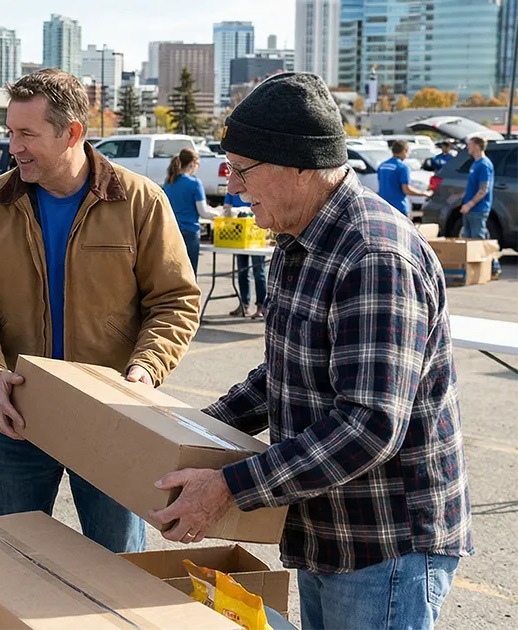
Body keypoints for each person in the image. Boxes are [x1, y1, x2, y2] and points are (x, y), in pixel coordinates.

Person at [148, 73, 471, 630]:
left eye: (244, 171)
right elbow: (285, 373)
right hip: (329, 533)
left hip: (384, 547)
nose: (235, 188)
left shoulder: (373, 255)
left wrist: (228, 485)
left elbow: (368, 424)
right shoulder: (301, 239)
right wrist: (187, 432)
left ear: (297, 164)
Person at [0, 69, 200, 554]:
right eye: (9, 131)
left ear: (72, 133)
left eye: (27, 134)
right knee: (9, 559)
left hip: (111, 416)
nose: (12, 147)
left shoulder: (139, 200)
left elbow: (175, 300)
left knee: (118, 564)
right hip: (18, 413)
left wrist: (145, 369)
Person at [162, 147, 220, 273]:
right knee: (189, 273)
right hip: (190, 231)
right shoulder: (194, 183)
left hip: (171, 231)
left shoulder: (169, 182)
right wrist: (218, 214)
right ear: (193, 163)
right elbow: (203, 211)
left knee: (173, 272)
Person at [222, 192, 266, 318]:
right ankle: (244, 304)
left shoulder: (254, 184)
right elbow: (226, 207)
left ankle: (261, 306)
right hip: (238, 235)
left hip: (255, 234)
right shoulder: (233, 189)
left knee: (259, 271)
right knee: (242, 271)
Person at [376, 140, 431, 216]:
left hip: (384, 208)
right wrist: (424, 193)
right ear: (404, 151)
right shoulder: (402, 167)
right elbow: (406, 190)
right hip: (398, 208)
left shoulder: (382, 166)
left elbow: (381, 185)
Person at [460, 136, 494, 239]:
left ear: (477, 146)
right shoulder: (475, 163)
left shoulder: (484, 165)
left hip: (478, 210)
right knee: (468, 241)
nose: (467, 147)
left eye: (470, 145)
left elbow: (483, 190)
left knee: (477, 240)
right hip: (469, 210)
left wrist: (469, 205)